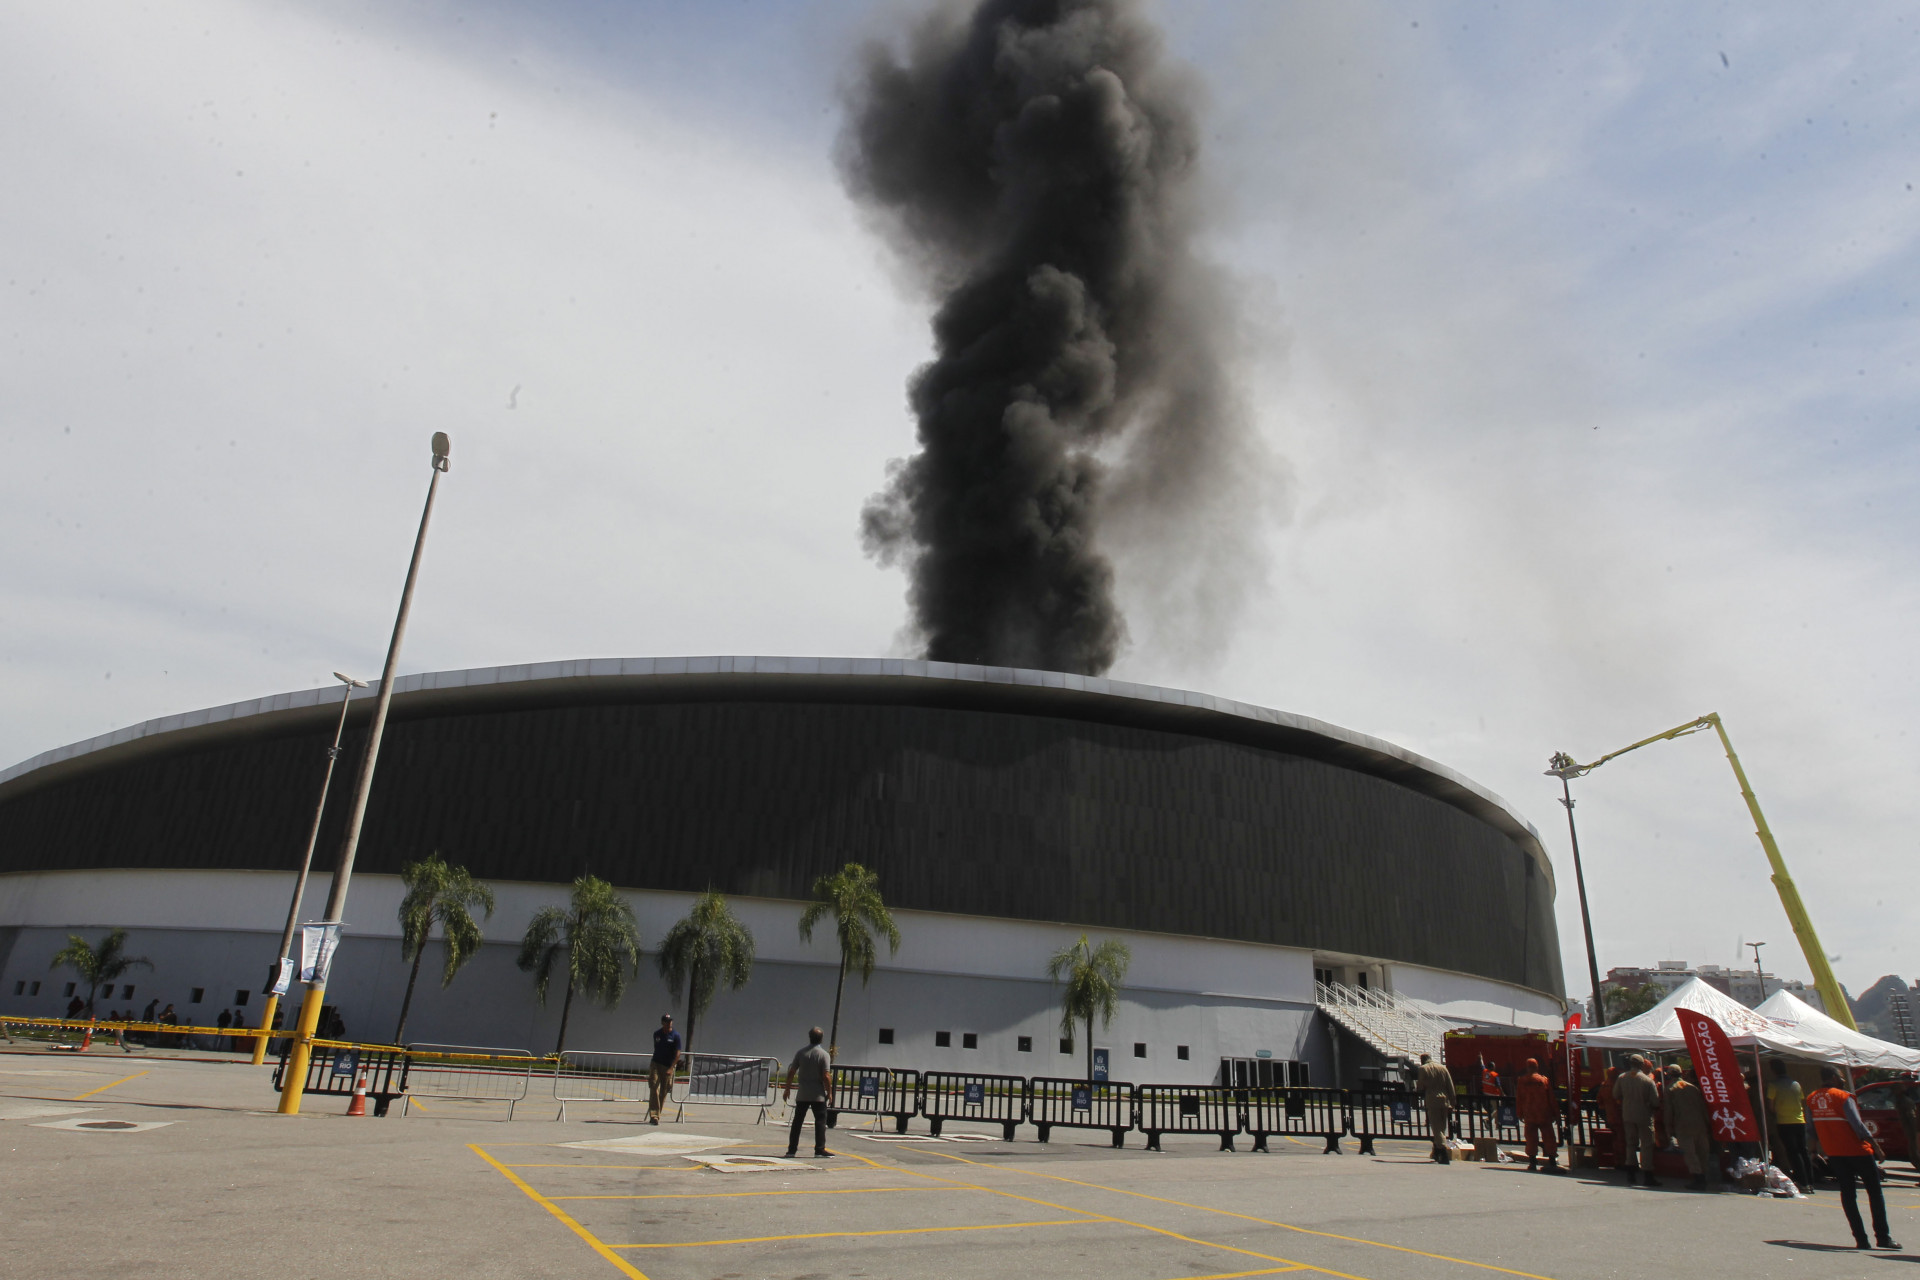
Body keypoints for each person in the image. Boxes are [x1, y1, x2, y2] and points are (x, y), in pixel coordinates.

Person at [1808, 1065, 1900, 1251]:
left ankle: (1861, 1239)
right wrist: (1876, 1147)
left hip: (1835, 1153)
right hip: (1858, 1151)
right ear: (1834, 1077)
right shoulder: (1843, 1097)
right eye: (1841, 1076)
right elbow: (1858, 1126)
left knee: (1848, 1195)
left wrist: (1813, 1151)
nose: (1843, 1079)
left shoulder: (1812, 1099)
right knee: (1874, 1193)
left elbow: (1810, 1129)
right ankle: (1882, 1237)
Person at [782, 1026, 834, 1159]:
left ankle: (791, 1150)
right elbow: (826, 1076)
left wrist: (787, 1089)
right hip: (817, 1094)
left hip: (803, 1093)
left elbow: (792, 1071)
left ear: (809, 1037)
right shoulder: (824, 1055)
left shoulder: (801, 1053)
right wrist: (829, 1092)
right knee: (820, 1121)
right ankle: (819, 1149)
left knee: (797, 1122)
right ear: (821, 1039)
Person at [1661, 1064, 1714, 1190]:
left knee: (1690, 1153)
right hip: (1700, 1124)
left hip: (1683, 1126)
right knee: (1702, 1151)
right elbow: (1703, 1107)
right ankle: (1704, 1177)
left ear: (1669, 1074)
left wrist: (1668, 1128)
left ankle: (1698, 1179)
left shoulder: (1670, 1089)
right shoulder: (1693, 1088)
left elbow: (1668, 1111)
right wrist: (1707, 1123)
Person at [1766, 1059, 1814, 1192]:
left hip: (1784, 1121)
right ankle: (1810, 1181)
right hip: (1800, 1121)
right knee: (1803, 1151)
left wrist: (1777, 1112)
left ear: (1773, 1071)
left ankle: (1802, 1182)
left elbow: (1771, 1106)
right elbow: (1800, 1101)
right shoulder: (1796, 1084)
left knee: (1793, 1152)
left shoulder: (1773, 1085)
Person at [1613, 1056, 1662, 1187]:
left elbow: (1616, 1094)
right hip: (1644, 1115)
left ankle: (1631, 1173)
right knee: (1646, 1145)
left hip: (1627, 1114)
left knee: (1630, 1143)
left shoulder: (1622, 1077)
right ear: (1641, 1065)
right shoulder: (1647, 1080)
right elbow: (1655, 1101)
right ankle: (1647, 1175)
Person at [1515, 1057, 1559, 1172]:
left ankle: (1532, 1162)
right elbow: (1551, 1099)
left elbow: (1519, 1099)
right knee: (1549, 1137)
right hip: (1544, 1113)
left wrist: (1519, 1113)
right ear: (1537, 1066)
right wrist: (1556, 1114)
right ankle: (1552, 1160)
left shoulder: (1522, 1081)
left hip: (1529, 1114)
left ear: (1527, 1067)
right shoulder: (1544, 1080)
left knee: (1531, 1138)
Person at [1417, 1052, 1456, 1164]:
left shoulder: (1423, 1069)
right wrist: (1453, 1102)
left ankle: (1443, 1151)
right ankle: (1437, 1150)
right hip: (1444, 1100)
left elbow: (1420, 1085)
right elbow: (1450, 1085)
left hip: (1432, 1099)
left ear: (1422, 1060)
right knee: (1442, 1127)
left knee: (1436, 1128)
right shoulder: (1443, 1068)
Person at [647, 1014, 682, 1125]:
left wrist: (672, 1067)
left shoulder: (675, 1036)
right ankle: (654, 1116)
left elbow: (678, 1054)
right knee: (654, 1086)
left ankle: (657, 1114)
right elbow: (656, 1048)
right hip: (656, 1064)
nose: (669, 1023)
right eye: (667, 1021)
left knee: (664, 1091)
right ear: (662, 1022)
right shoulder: (657, 1034)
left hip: (668, 1066)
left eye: (670, 1021)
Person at [1894, 1077, 1919, 1172]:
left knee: (1914, 1154)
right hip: (1909, 1131)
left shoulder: (1905, 1101)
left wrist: (1915, 1134)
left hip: (1912, 1131)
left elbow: (1912, 1118)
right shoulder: (1900, 1100)